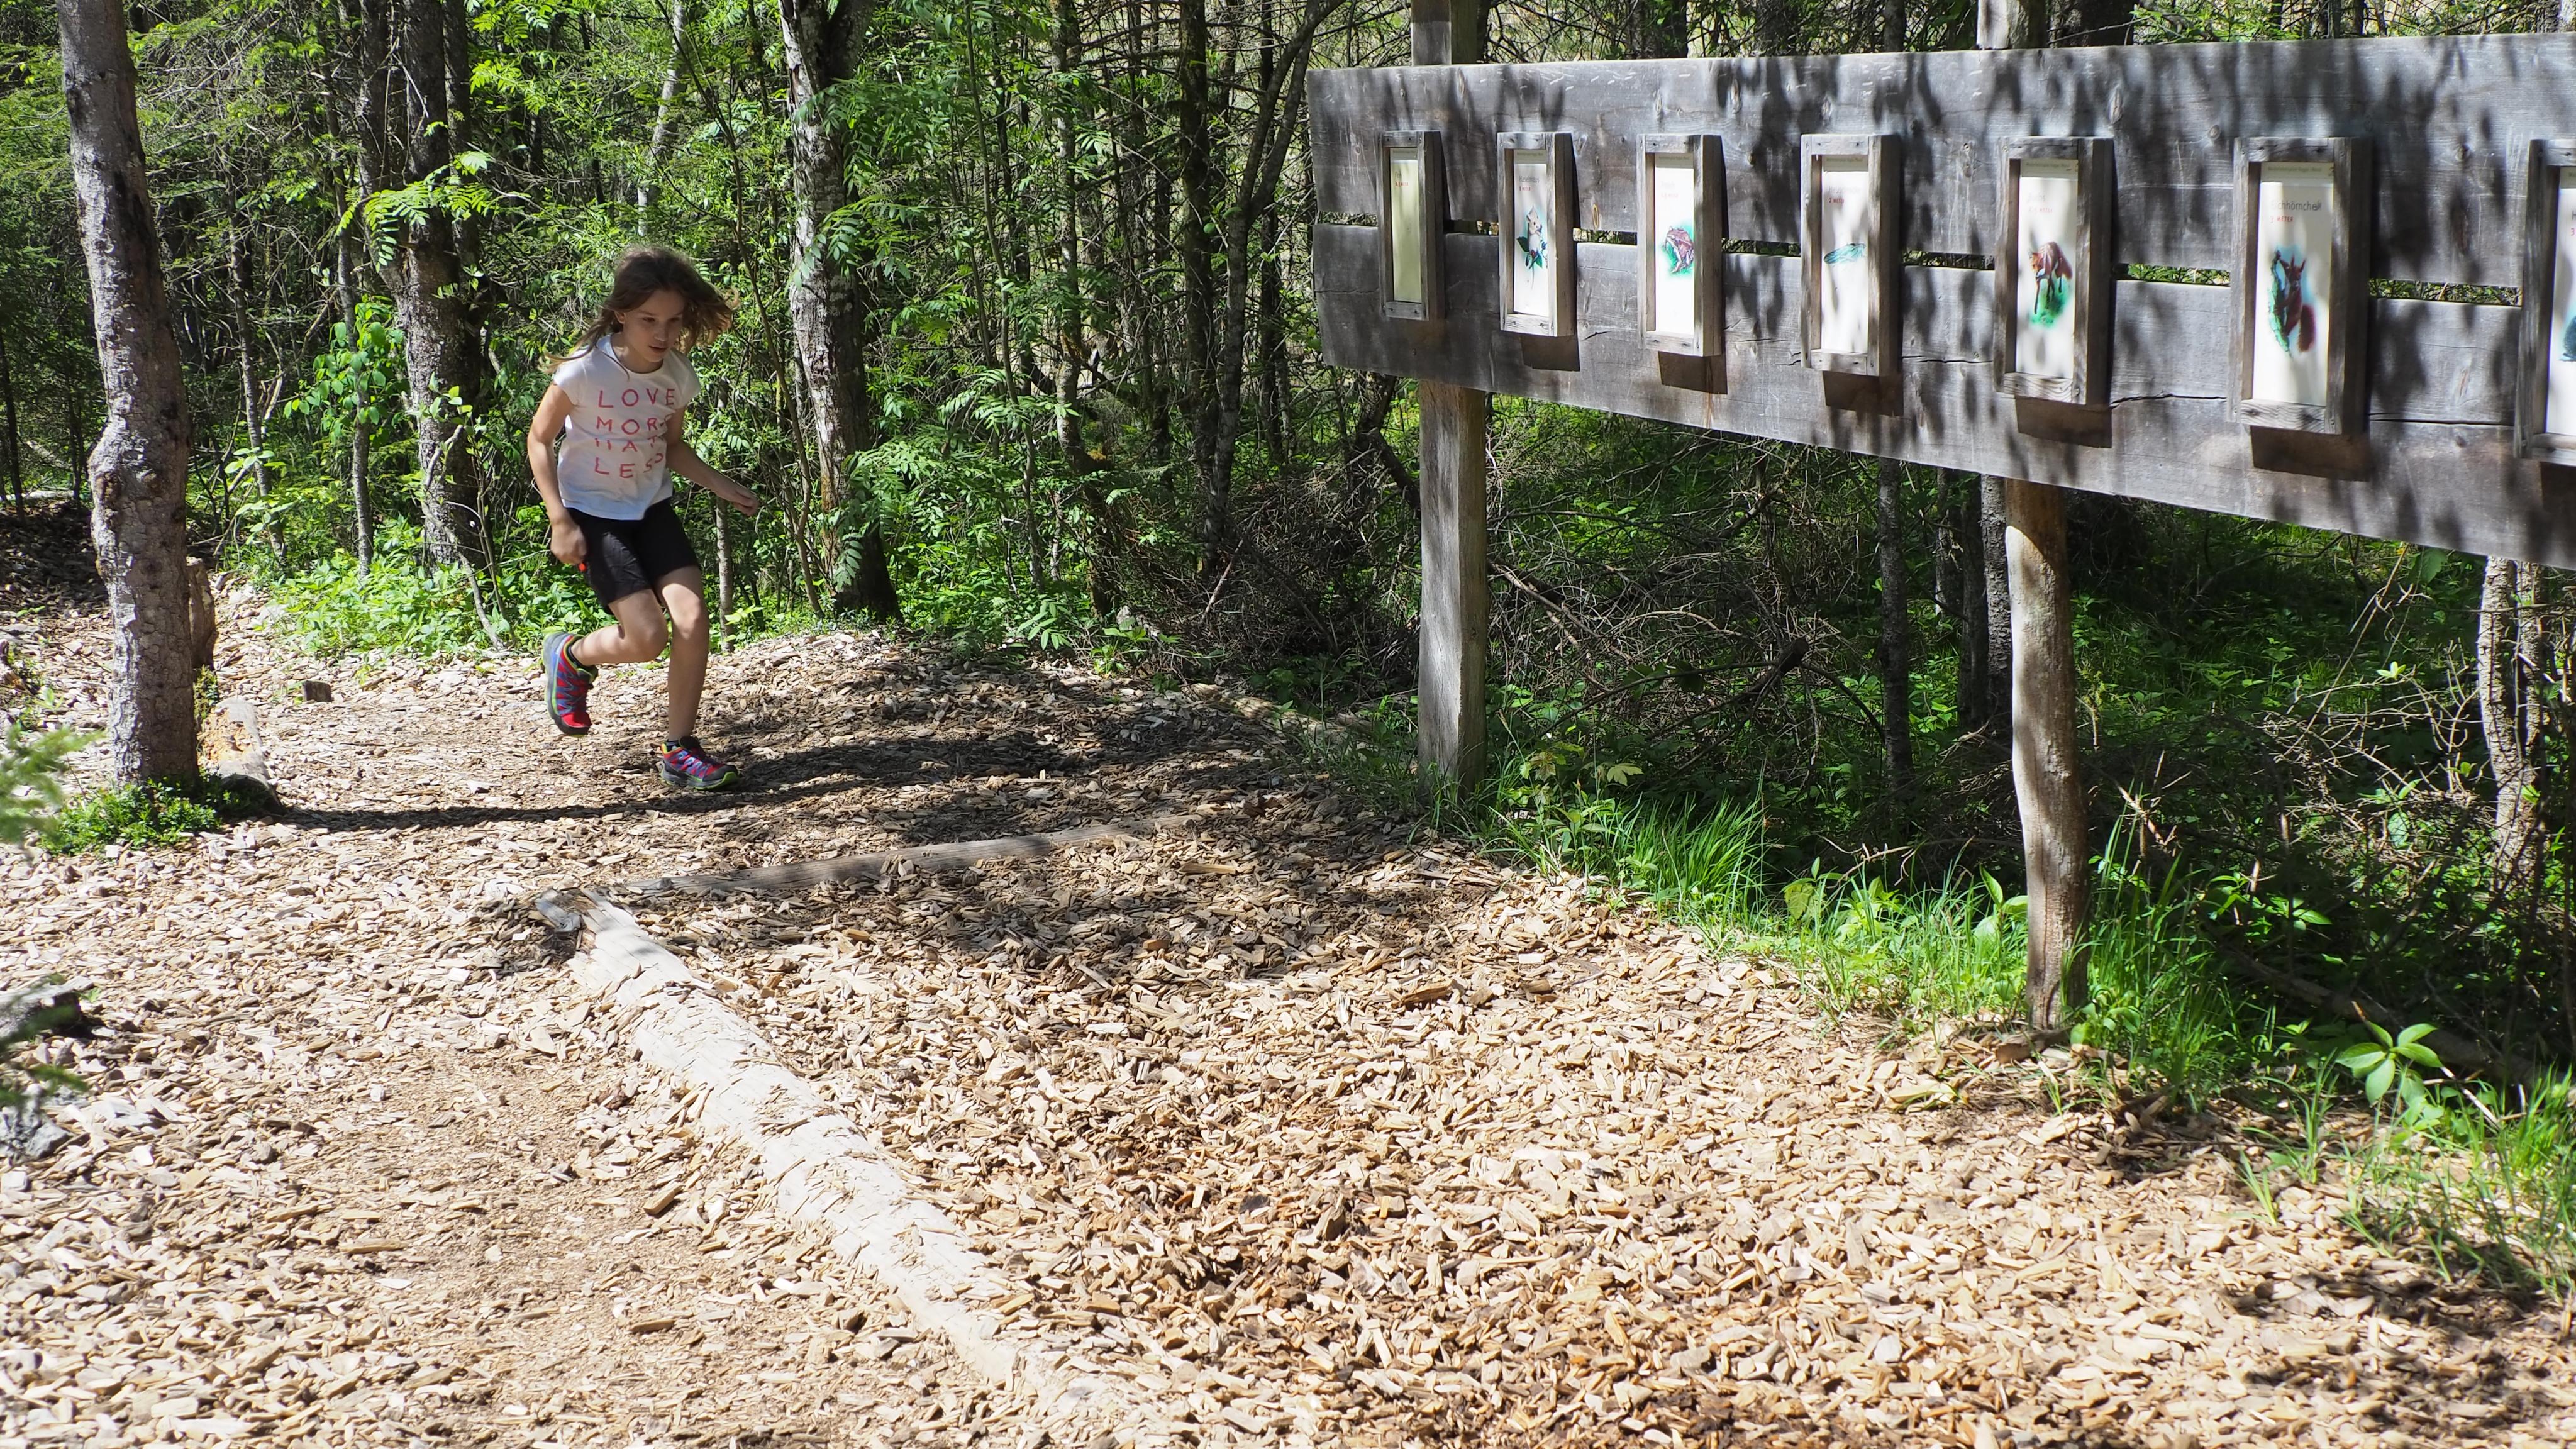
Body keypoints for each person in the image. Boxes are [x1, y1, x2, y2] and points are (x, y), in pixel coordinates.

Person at [528, 246, 762, 791]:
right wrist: (559, 519)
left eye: (674, 321)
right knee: (648, 638)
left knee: (693, 619)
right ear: (621, 315)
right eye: (648, 320)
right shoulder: (584, 371)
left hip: (651, 508)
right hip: (594, 514)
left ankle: (680, 749)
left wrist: (722, 485)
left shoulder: (677, 376)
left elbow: (672, 447)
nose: (662, 333)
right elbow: (539, 440)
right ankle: (571, 655)